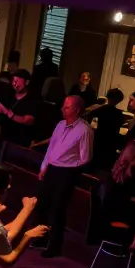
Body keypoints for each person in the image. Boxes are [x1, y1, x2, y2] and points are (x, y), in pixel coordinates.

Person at [33, 95, 92, 258]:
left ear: (76, 110)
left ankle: (55, 246)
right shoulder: (60, 125)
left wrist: (68, 167)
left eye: (66, 107)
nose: (62, 109)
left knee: (57, 209)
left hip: (66, 172)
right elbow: (51, 147)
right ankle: (41, 237)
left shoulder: (84, 130)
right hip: (52, 169)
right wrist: (44, 166)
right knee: (42, 204)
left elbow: (85, 157)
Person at [0, 70, 38, 147]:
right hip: (4, 136)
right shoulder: (9, 95)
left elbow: (28, 120)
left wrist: (8, 113)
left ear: (27, 82)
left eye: (18, 82)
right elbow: (0, 114)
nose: (15, 84)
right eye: (14, 81)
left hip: (20, 140)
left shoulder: (32, 100)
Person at [87, 88, 126, 168]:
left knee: (95, 158)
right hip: (112, 139)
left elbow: (90, 114)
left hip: (100, 136)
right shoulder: (119, 114)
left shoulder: (102, 109)